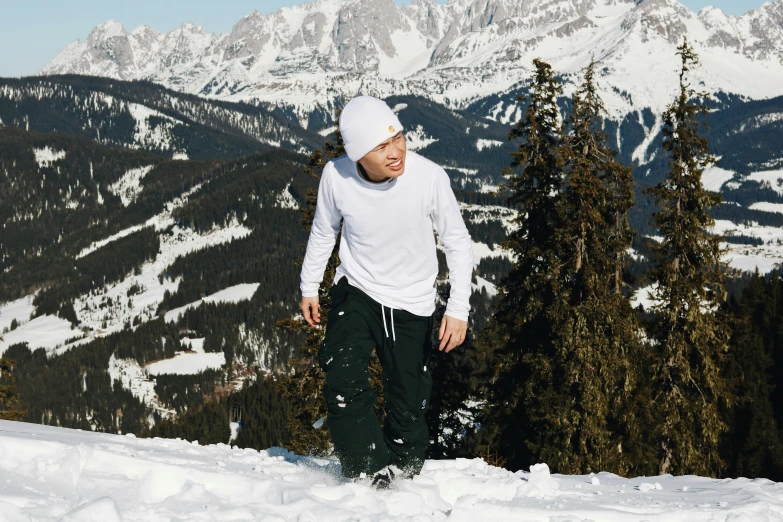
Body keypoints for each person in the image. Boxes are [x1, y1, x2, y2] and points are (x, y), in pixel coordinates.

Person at [299, 95, 473, 488]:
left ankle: (403, 475)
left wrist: (458, 308)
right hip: (357, 289)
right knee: (341, 375)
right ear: (359, 154)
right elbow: (325, 230)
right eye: (382, 146)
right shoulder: (336, 176)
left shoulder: (428, 178)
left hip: (411, 302)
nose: (396, 152)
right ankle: (363, 471)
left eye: (399, 138)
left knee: (409, 402)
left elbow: (458, 242)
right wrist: (310, 286)